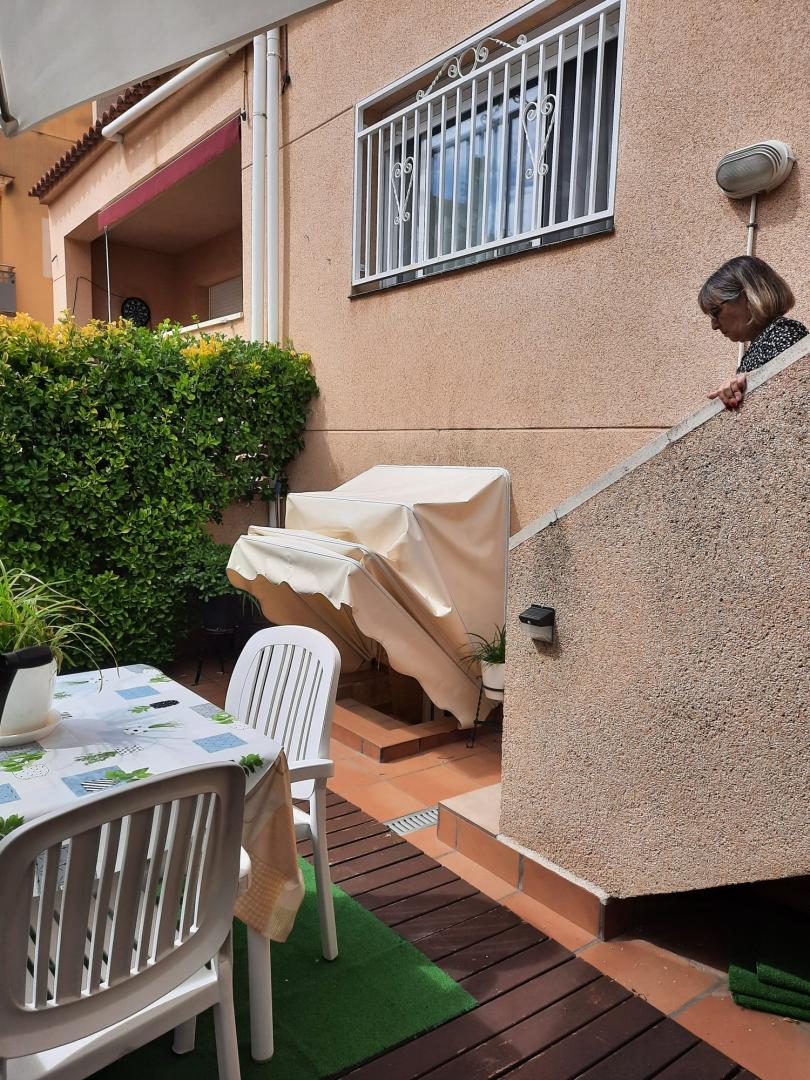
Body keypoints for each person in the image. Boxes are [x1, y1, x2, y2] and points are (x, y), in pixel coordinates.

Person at [698, 256, 807, 409]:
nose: (714, 325)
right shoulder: (762, 343)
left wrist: (749, 380)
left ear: (748, 295)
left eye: (716, 311)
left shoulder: (783, 332)